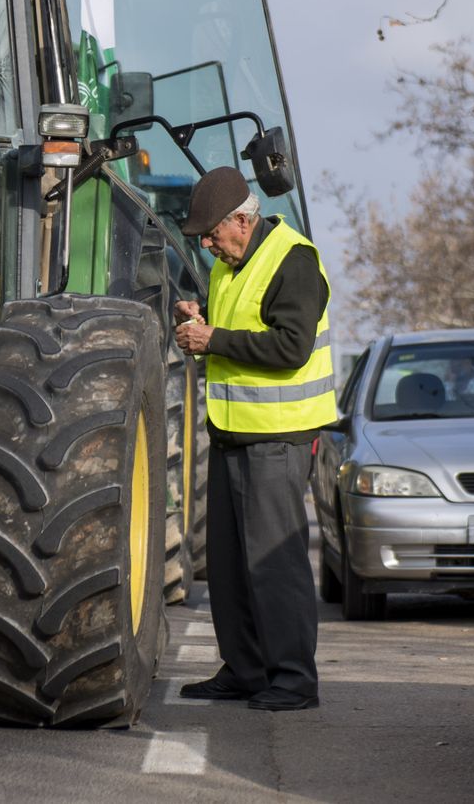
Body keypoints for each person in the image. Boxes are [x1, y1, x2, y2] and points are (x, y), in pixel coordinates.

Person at [171, 166, 335, 712]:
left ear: (241, 220)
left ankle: (292, 679)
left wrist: (214, 337)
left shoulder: (294, 258)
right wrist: (201, 319)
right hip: (232, 433)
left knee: (275, 564)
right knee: (230, 566)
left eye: (213, 234)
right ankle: (245, 670)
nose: (207, 244)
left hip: (278, 439)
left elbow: (290, 346)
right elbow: (236, 325)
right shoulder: (230, 263)